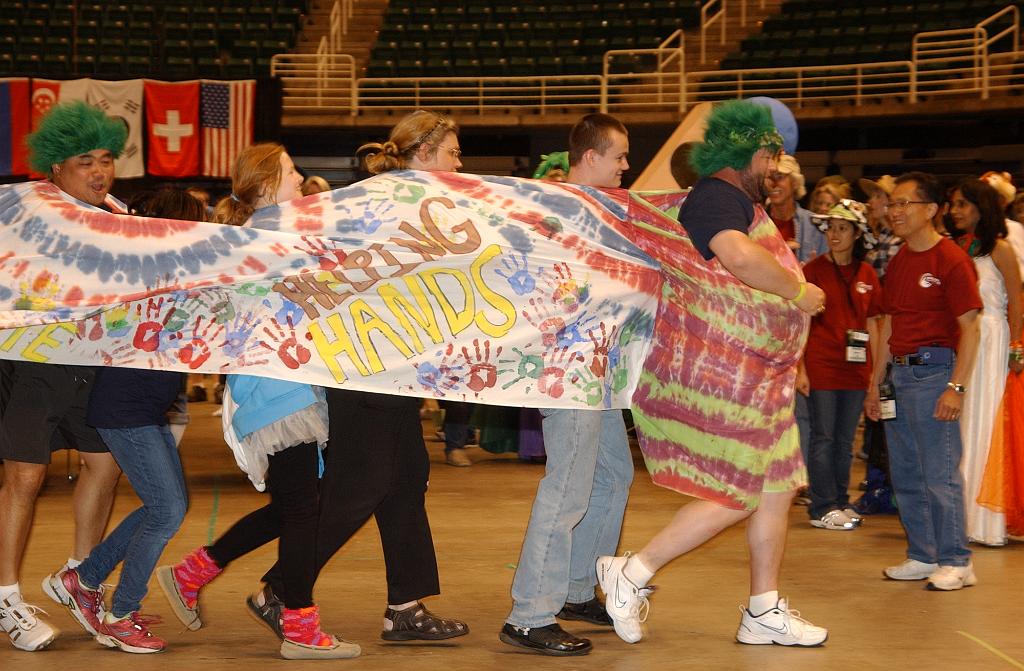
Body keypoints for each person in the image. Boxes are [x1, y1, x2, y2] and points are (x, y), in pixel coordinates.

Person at [600, 100, 829, 647]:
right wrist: (799, 292)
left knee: (776, 489)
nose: (775, 170)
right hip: (733, 380)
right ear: (752, 151)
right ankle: (631, 572)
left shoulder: (727, 198)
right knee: (738, 492)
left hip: (762, 379)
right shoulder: (717, 198)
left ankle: (763, 610)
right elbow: (738, 257)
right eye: (772, 158)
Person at [157, 143, 358, 660]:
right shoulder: (270, 241)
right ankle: (300, 628)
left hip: (284, 388)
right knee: (300, 512)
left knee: (295, 507)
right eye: (292, 172)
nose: (300, 179)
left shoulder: (265, 238)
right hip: (277, 391)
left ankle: (191, 572)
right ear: (268, 186)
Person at [42, 188, 203, 653]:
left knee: (165, 506)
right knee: (167, 510)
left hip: (147, 408)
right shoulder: (136, 274)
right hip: (124, 407)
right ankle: (121, 612)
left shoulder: (175, 277)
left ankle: (83, 578)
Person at [500, 113, 634, 657]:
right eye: (620, 156)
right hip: (566, 371)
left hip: (599, 369)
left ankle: (577, 588)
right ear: (591, 157)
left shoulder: (601, 211)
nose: (627, 166)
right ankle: (530, 613)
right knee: (568, 488)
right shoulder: (555, 212)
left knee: (614, 476)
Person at [0, 101, 125, 652]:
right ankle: (5, 595)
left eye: (105, 159)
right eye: (84, 161)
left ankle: (80, 577)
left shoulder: (121, 215)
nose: (99, 171)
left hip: (87, 366)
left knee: (107, 463)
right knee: (25, 479)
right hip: (28, 365)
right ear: (55, 167)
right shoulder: (22, 211)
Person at [865, 172, 982, 591]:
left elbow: (970, 328)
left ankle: (956, 559)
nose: (893, 211)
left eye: (903, 204)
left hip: (935, 372)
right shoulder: (899, 260)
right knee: (907, 472)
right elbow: (889, 325)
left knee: (939, 473)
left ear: (930, 210)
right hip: (899, 373)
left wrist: (956, 387)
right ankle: (923, 553)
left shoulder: (951, 259)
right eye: (891, 204)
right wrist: (876, 384)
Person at [947, 178, 1022, 546]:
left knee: (986, 424)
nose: (955, 211)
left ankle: (986, 521)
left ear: (981, 206)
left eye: (962, 203)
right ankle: (959, 516)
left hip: (993, 341)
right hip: (963, 340)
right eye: (953, 204)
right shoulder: (955, 247)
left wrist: (1017, 348)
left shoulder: (1001, 249)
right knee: (961, 426)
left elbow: (1016, 302)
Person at [801, 200, 883, 530]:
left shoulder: (866, 273)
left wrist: (876, 374)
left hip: (856, 370)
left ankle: (839, 500)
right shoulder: (813, 270)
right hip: (821, 365)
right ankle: (821, 506)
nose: (835, 234)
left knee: (846, 441)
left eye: (843, 228)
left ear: (857, 234)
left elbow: (875, 323)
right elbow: (800, 320)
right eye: (831, 228)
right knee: (823, 437)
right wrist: (799, 368)